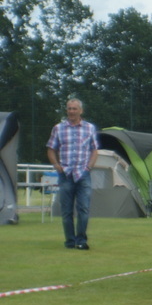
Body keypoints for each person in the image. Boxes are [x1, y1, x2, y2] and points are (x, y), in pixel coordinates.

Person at [46, 98, 99, 250]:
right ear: (66, 110)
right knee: (66, 211)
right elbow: (51, 149)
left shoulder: (89, 128)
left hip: (83, 174)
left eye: (74, 109)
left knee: (83, 209)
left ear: (81, 111)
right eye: (69, 108)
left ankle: (81, 241)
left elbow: (95, 150)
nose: (71, 111)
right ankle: (70, 241)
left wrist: (89, 167)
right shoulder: (58, 128)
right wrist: (57, 165)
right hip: (66, 175)